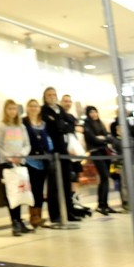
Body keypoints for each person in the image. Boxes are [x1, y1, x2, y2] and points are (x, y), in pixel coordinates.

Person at [40, 87, 79, 223]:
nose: (52, 96)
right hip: (53, 152)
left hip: (64, 151)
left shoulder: (60, 109)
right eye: (49, 95)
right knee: (54, 185)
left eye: (54, 94)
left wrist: (60, 124)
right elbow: (54, 126)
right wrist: (60, 123)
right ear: (45, 97)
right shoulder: (44, 110)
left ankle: (68, 211)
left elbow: (70, 125)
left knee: (66, 183)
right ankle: (55, 214)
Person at [0, 99, 32, 236]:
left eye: (14, 109)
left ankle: (20, 220)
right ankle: (14, 221)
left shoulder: (21, 127)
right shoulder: (1, 127)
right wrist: (8, 157)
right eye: (9, 109)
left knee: (21, 192)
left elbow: (27, 144)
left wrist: (21, 155)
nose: (12, 111)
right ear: (5, 110)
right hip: (7, 163)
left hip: (20, 162)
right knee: (11, 193)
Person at [82, 106, 119, 215]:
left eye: (95, 112)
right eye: (91, 112)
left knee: (105, 178)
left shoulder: (100, 123)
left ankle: (104, 204)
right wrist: (103, 139)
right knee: (104, 176)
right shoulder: (87, 125)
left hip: (104, 152)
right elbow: (92, 139)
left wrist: (103, 138)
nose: (93, 114)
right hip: (96, 152)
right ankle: (101, 204)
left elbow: (108, 137)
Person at [22, 99, 52, 228]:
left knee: (40, 189)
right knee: (33, 189)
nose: (33, 108)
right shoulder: (23, 123)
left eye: (36, 106)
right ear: (27, 108)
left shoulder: (43, 124)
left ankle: (39, 215)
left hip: (43, 160)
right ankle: (33, 216)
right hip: (30, 160)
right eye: (31, 106)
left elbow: (48, 140)